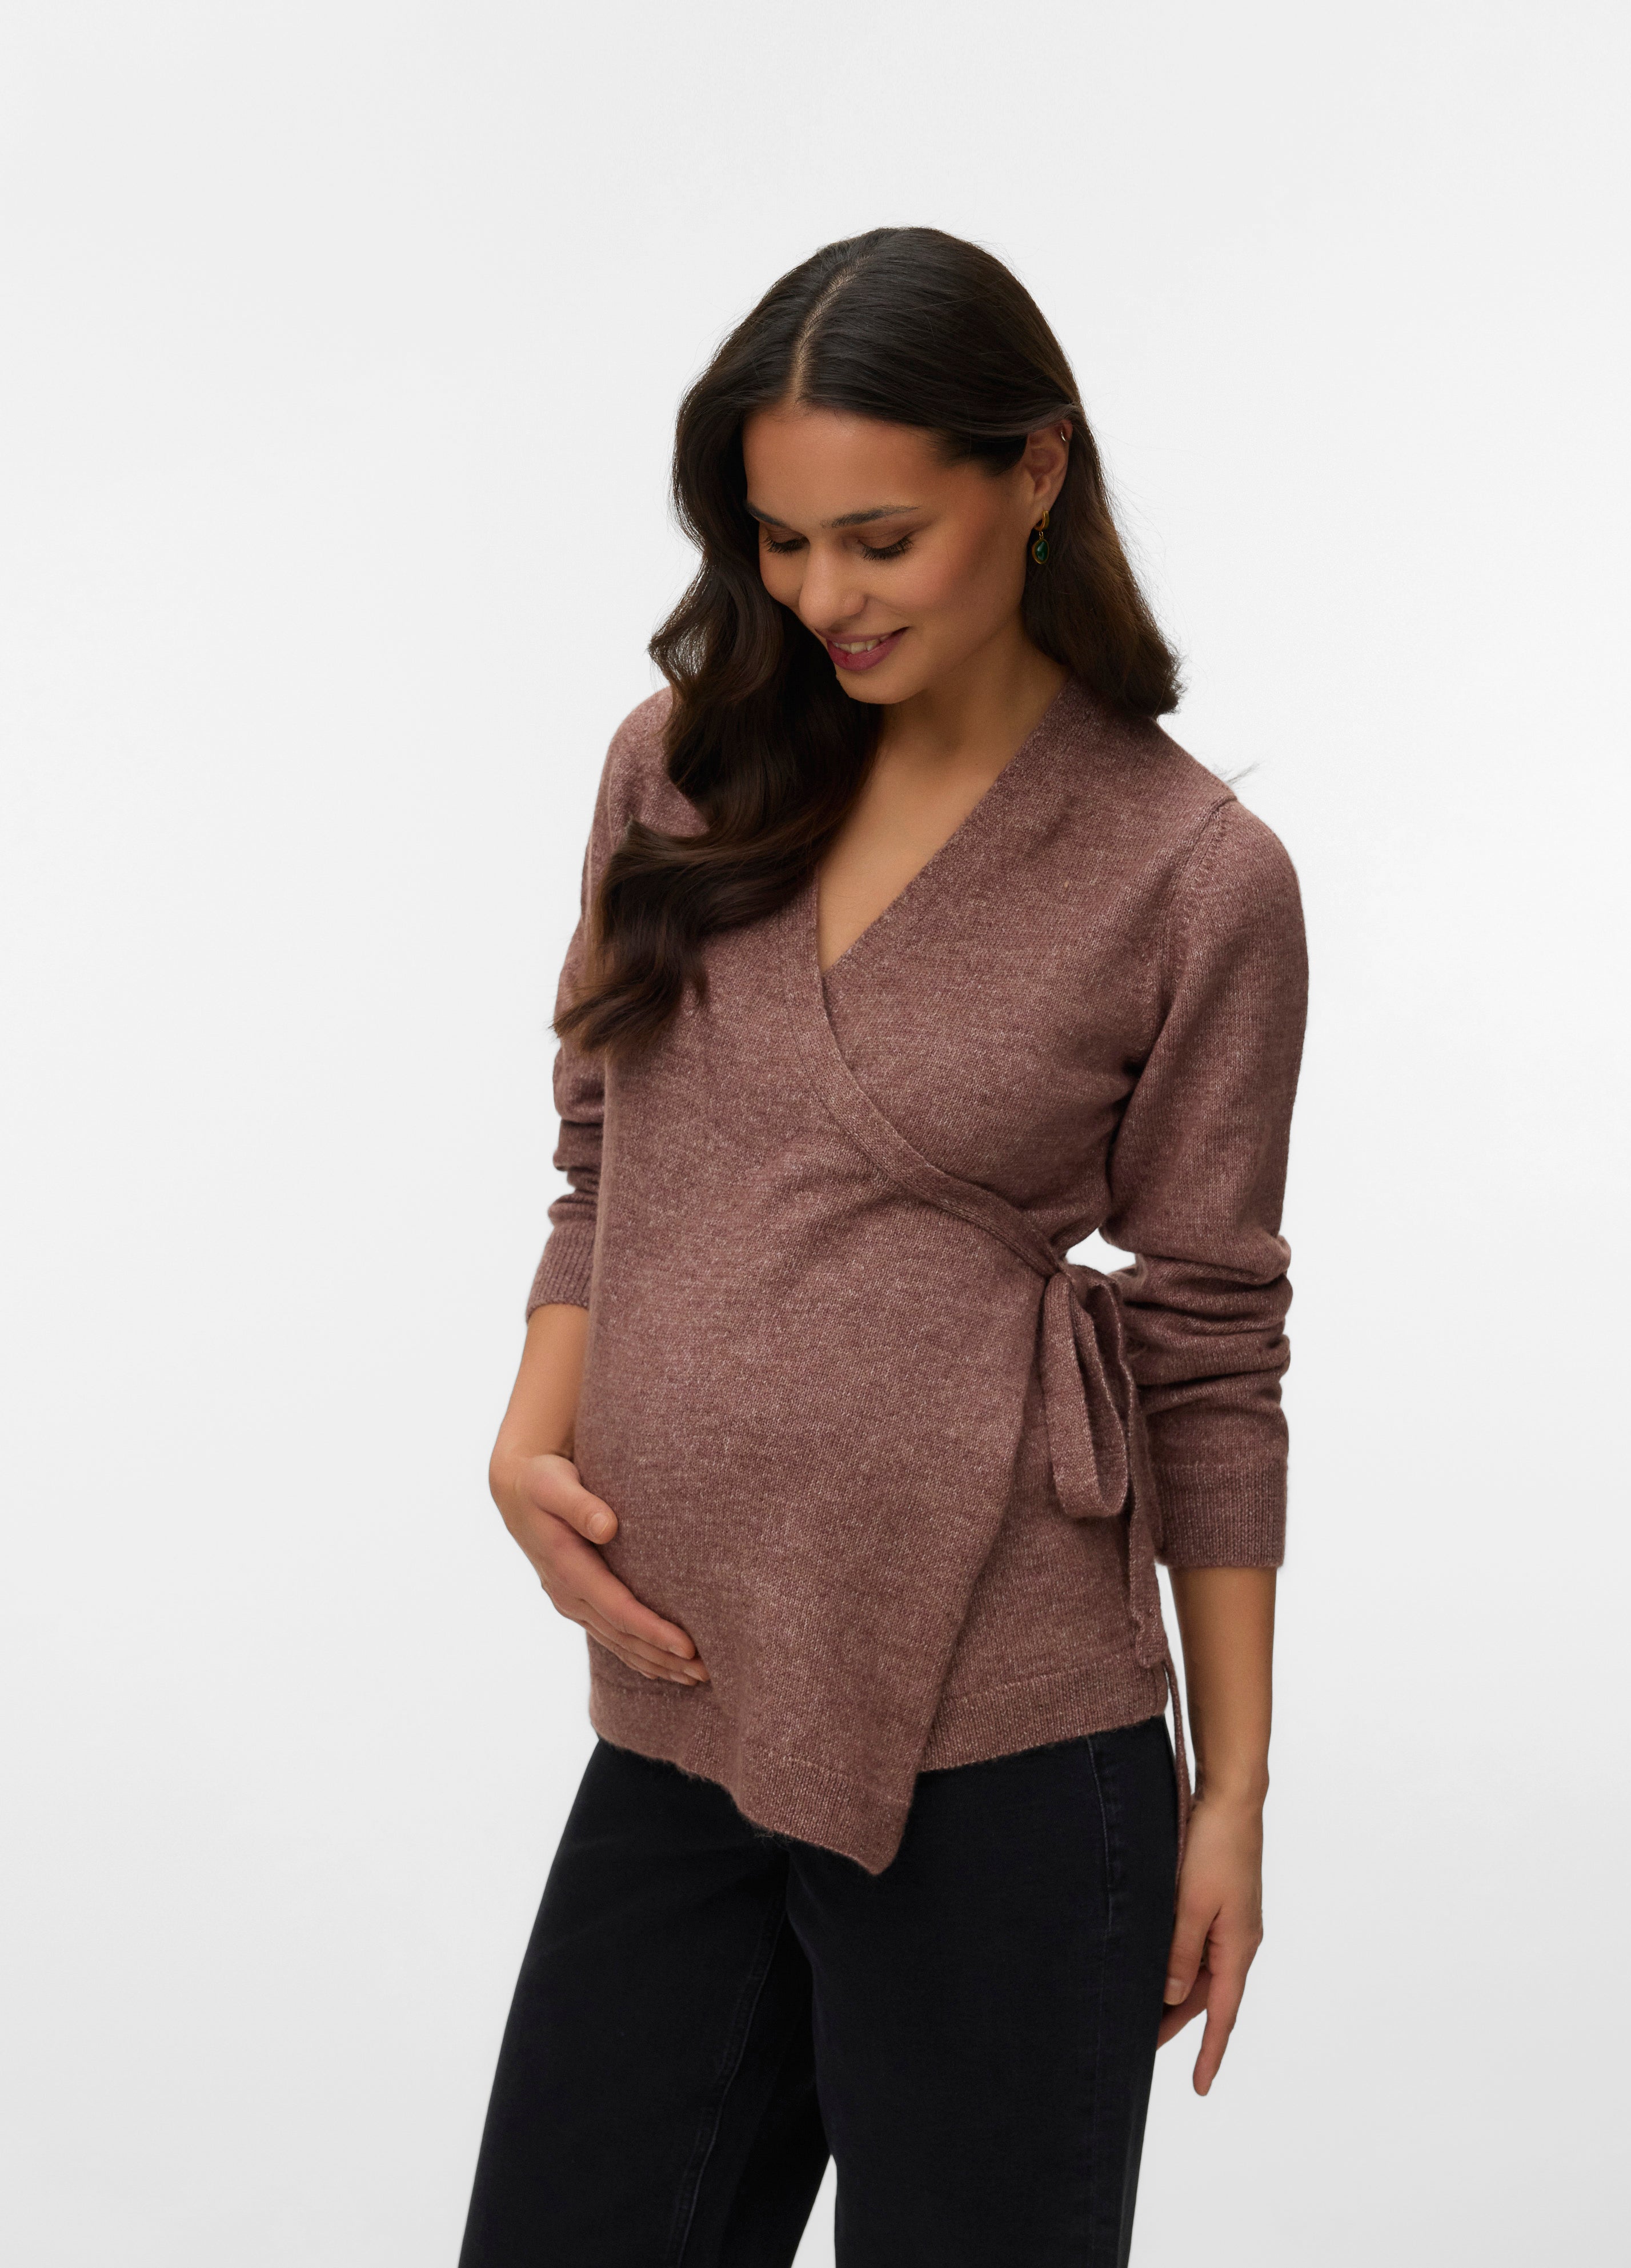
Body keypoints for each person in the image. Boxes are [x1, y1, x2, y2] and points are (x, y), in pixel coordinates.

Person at [458, 225, 1308, 2267]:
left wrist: (1232, 1790)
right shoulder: (679, 768)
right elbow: (604, 1153)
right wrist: (530, 1436)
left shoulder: (1196, 877)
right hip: (685, 1694)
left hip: (1009, 1741)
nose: (823, 595)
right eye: (779, 540)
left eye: (879, 539)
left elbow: (1211, 1345)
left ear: (1037, 473)